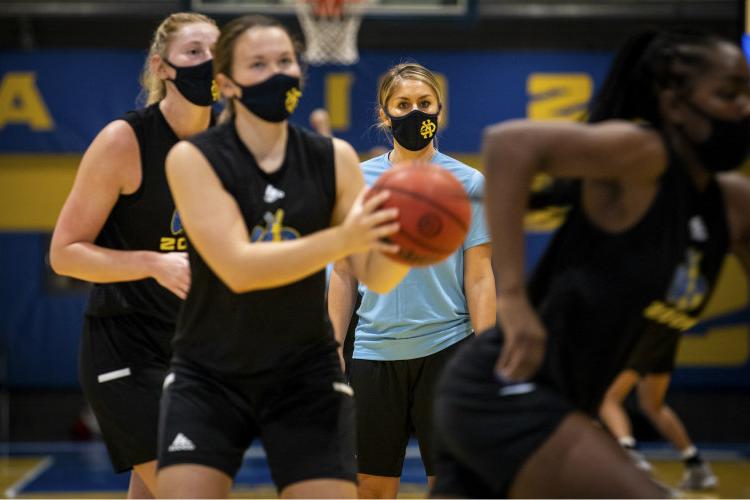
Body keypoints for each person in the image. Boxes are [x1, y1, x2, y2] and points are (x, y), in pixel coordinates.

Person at [430, 29, 750, 498]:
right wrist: (514, 299)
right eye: (727, 93)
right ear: (675, 105)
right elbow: (508, 144)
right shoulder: (646, 156)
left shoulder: (733, 205)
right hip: (506, 391)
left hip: (561, 402)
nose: (744, 106)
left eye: (748, 91)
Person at [156, 15, 410, 499]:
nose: (277, 73)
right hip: (211, 371)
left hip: (304, 371)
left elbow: (375, 274)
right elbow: (238, 267)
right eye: (259, 64)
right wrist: (345, 238)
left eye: (286, 61)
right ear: (226, 83)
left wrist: (408, 241)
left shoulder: (331, 157)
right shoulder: (194, 158)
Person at [48, 12, 218, 498]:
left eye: (216, 53)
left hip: (194, 350)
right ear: (162, 67)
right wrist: (152, 262)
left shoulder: (233, 140)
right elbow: (64, 254)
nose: (207, 62)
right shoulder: (124, 141)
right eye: (193, 52)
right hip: (126, 348)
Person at [328, 62, 496, 499]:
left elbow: (479, 276)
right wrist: (332, 346)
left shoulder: (468, 182)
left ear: (439, 110)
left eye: (424, 104)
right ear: (385, 115)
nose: (415, 113)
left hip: (448, 349)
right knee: (372, 488)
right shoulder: (359, 182)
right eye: (403, 104)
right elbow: (344, 273)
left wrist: (486, 351)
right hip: (374, 351)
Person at [599, 334, 718, 489]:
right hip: (667, 334)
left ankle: (631, 459)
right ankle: (696, 465)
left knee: (607, 399)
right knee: (653, 405)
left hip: (644, 333)